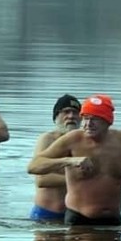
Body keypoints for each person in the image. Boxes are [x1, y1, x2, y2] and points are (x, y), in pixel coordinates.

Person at [27, 94, 121, 226]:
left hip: (113, 220)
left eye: (94, 119)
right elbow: (34, 166)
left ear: (108, 121)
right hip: (79, 219)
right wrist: (69, 161)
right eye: (85, 118)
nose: (87, 124)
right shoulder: (72, 140)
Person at [27, 94, 82, 222]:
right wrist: (79, 181)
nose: (71, 116)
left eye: (75, 112)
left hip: (74, 216)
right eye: (66, 112)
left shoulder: (83, 142)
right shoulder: (47, 139)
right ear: (56, 117)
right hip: (46, 214)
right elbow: (42, 180)